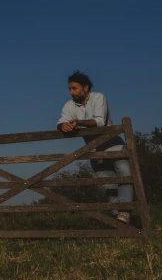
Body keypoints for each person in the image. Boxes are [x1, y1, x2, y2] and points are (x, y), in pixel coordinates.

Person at [56, 70, 133, 224]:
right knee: (108, 184)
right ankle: (118, 221)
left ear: (85, 88)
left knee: (125, 176)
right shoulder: (69, 105)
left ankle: (124, 213)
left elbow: (99, 122)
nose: (71, 92)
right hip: (94, 151)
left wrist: (78, 122)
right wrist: (62, 126)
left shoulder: (99, 97)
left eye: (75, 88)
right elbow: (61, 121)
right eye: (70, 89)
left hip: (114, 146)